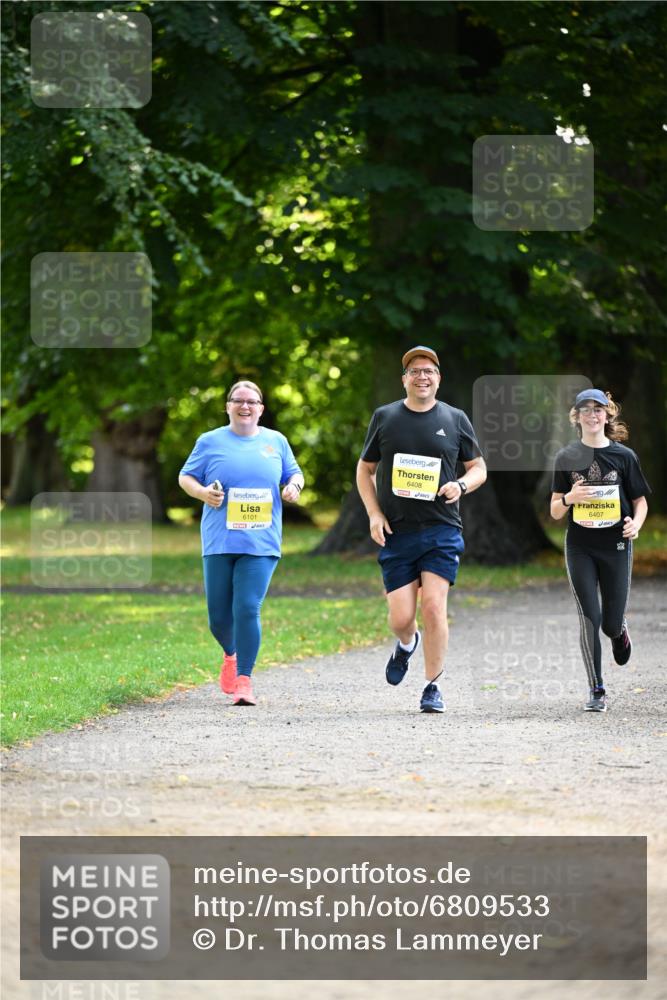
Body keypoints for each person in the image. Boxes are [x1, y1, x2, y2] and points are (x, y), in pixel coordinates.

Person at [356, 346, 487, 713]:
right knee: (401, 619)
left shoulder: (455, 418)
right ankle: (406, 643)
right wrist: (374, 514)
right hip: (397, 532)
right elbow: (365, 470)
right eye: (415, 371)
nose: (422, 376)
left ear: (438, 378)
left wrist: (461, 485)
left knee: (433, 607)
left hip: (441, 529)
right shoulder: (385, 417)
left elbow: (479, 467)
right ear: (405, 380)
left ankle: (432, 685)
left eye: (428, 370)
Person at [178, 380, 304, 706]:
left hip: (261, 542)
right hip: (220, 540)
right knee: (219, 617)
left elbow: (295, 474)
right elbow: (186, 477)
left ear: (261, 408)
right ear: (228, 406)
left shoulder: (276, 441)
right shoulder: (210, 441)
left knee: (248, 607)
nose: (245, 406)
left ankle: (244, 680)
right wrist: (203, 493)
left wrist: (293, 487)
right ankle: (231, 655)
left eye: (252, 401)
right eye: (238, 401)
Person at [550, 389, 650, 713]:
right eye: (585, 410)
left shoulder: (624, 457)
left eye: (598, 410)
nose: (592, 415)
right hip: (580, 546)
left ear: (607, 416)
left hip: (617, 545)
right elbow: (553, 510)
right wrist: (569, 499)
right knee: (589, 617)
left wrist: (636, 524)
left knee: (609, 622)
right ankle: (597, 689)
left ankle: (619, 631)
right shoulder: (566, 458)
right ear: (576, 417)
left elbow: (640, 501)